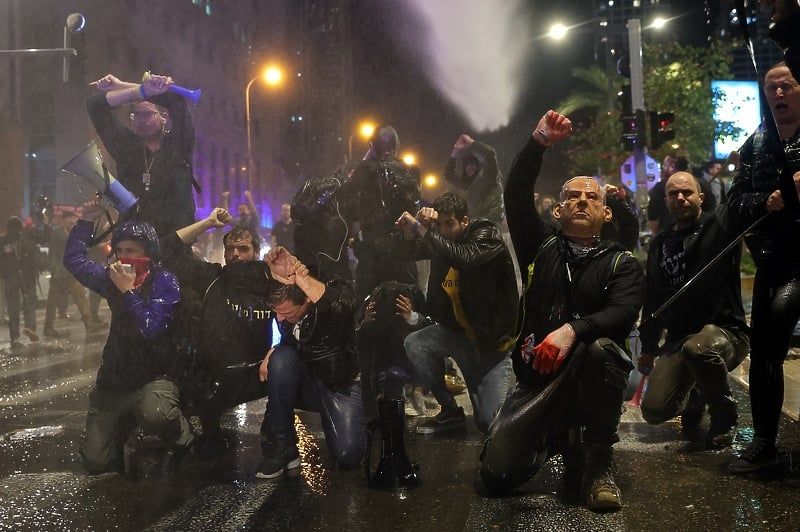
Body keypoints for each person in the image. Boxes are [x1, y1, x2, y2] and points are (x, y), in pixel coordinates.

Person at [480, 111, 645, 512]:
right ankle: (558, 433)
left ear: (606, 214)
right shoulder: (539, 246)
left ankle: (598, 462)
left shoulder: (623, 262)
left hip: (593, 373)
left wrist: (572, 330)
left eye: (593, 196)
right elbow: (516, 194)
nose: (583, 200)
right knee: (497, 476)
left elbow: (622, 314)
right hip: (536, 381)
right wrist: (538, 142)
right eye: (573, 195)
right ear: (558, 211)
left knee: (600, 349)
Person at [64, 210, 193, 474]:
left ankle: (183, 434)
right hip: (115, 379)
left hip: (154, 376)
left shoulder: (164, 281)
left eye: (132, 250)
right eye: (120, 249)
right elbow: (74, 260)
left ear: (148, 251)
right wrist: (87, 221)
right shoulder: (112, 277)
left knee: (156, 412)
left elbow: (152, 327)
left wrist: (129, 292)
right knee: (96, 461)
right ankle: (122, 428)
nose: (124, 256)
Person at [638, 172, 749, 449]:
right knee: (654, 410)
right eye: (674, 193)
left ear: (700, 196)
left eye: (687, 192)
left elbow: (746, 200)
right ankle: (697, 393)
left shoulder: (721, 223)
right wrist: (650, 346)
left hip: (725, 333)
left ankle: (724, 418)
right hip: (680, 339)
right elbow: (652, 299)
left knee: (699, 349)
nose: (681, 198)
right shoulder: (659, 245)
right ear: (666, 200)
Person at [727, 61, 800, 474]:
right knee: (766, 350)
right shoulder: (756, 144)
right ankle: (765, 441)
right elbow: (735, 204)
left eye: (786, 85)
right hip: (777, 262)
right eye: (771, 87)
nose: (778, 93)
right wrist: (766, 202)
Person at [397, 192, 517, 434]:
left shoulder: (486, 235)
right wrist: (409, 233)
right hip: (458, 336)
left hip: (491, 347)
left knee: (489, 423)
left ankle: (514, 389)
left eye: (449, 223)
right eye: (439, 225)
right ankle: (450, 411)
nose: (443, 230)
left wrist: (423, 229)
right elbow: (406, 254)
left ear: (465, 221)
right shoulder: (440, 242)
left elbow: (463, 257)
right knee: (416, 343)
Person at [160, 210, 276, 445]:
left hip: (260, 372)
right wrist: (208, 223)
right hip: (218, 376)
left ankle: (277, 432)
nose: (235, 254)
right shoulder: (212, 277)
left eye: (243, 249)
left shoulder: (270, 281)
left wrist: (278, 350)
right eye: (230, 249)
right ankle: (210, 440)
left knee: (288, 370)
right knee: (201, 403)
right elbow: (165, 252)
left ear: (255, 251)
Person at [257, 248, 364, 478]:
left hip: (338, 384)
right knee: (281, 360)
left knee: (348, 454)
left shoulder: (336, 287)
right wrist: (275, 351)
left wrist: (302, 279)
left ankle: (365, 419)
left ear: (306, 298)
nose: (280, 319)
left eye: (287, 313)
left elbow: (342, 306)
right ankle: (283, 446)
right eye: (278, 313)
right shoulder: (284, 298)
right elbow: (294, 338)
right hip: (306, 379)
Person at [87, 73, 197, 237]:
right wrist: (139, 91)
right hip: (133, 240)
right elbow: (95, 105)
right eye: (136, 115)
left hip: (176, 240)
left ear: (164, 117)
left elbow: (176, 102)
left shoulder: (179, 143)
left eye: (147, 114)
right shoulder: (125, 145)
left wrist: (122, 84)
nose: (141, 121)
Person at [340, 124, 420, 303]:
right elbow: (414, 208)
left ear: (371, 146)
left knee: (368, 310)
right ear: (396, 146)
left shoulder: (363, 173)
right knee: (405, 308)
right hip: (402, 256)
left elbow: (349, 206)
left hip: (371, 258)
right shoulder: (410, 172)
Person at [357, 280, 431, 421]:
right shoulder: (371, 312)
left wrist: (412, 318)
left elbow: (431, 332)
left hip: (406, 364)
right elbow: (362, 353)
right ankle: (392, 392)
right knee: (391, 379)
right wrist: (365, 326)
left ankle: (415, 390)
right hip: (384, 366)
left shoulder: (416, 302)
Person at [43, 211, 98, 337]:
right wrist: (54, 269)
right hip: (59, 273)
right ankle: (48, 327)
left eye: (74, 218)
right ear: (63, 220)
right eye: (70, 218)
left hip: (71, 273)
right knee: (52, 301)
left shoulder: (74, 234)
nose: (72, 221)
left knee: (81, 297)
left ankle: (88, 323)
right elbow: (53, 254)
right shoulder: (57, 233)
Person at [445, 135, 504, 224]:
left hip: (491, 224)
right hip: (476, 223)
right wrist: (455, 153)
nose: (470, 167)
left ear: (479, 166)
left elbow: (490, 154)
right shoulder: (468, 184)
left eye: (473, 164)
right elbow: (448, 175)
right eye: (467, 165)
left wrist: (472, 143)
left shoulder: (489, 176)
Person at [0, 216, 40, 347]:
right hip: (17, 277)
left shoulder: (13, 240)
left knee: (18, 306)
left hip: (17, 278)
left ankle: (19, 334)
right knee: (22, 305)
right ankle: (24, 331)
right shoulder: (14, 240)